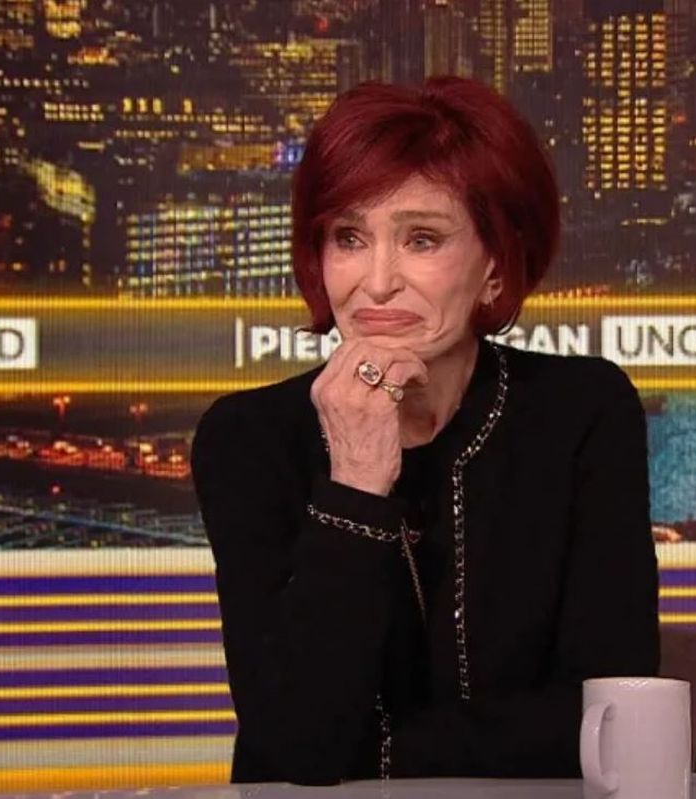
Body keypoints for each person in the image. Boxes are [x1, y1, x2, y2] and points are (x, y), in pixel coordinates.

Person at [191, 76, 659, 786]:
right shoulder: (248, 438)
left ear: (496, 264)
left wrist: (380, 757)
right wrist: (356, 483)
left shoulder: (582, 413)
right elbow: (294, 748)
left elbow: (608, 717)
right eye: (348, 237)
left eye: (421, 239)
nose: (377, 282)